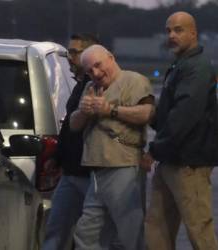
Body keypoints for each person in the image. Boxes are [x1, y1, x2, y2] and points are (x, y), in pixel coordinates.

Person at [143, 11, 218, 250]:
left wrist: (155, 149)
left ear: (193, 33)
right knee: (157, 226)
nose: (172, 35)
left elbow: (184, 117)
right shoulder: (181, 64)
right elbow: (168, 115)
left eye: (178, 30)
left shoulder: (198, 67)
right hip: (170, 160)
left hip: (189, 164)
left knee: (199, 231)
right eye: (168, 31)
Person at [70, 44, 154, 250]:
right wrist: (83, 112)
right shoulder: (91, 88)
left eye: (98, 65)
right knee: (87, 231)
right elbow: (73, 125)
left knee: (129, 230)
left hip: (123, 165)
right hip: (97, 168)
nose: (96, 73)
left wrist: (111, 110)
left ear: (111, 57)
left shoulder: (134, 80)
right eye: (90, 71)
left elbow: (147, 113)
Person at [42, 34, 99, 250]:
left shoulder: (99, 85)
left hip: (89, 174)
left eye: (74, 52)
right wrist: (57, 157)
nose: (69, 57)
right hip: (70, 173)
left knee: (86, 236)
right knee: (56, 229)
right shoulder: (79, 86)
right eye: (69, 52)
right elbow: (68, 129)